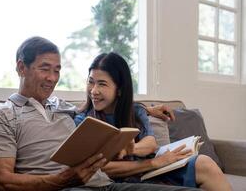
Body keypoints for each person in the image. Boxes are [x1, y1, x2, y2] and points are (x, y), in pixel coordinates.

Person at [0, 36, 200, 191]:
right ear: (22, 68)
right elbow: (4, 181)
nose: (52, 77)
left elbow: (103, 102)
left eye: (57, 70)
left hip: (106, 184)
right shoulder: (3, 114)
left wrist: (146, 109)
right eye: (44, 68)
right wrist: (61, 181)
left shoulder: (64, 107)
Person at [74, 52, 232, 191]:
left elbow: (150, 143)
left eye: (102, 84)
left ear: (120, 89)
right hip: (124, 179)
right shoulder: (84, 120)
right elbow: (101, 168)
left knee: (205, 163)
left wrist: (130, 149)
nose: (93, 91)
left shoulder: (136, 111)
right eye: (90, 82)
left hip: (149, 171)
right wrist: (154, 163)